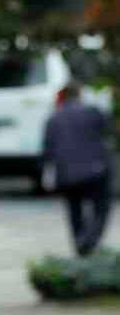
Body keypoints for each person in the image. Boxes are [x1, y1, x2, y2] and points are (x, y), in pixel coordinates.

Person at [43, 83, 113, 256]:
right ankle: (88, 241)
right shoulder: (92, 112)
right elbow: (107, 131)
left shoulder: (54, 118)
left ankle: (80, 246)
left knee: (75, 211)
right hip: (95, 170)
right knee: (101, 208)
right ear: (80, 94)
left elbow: (47, 150)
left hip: (66, 173)